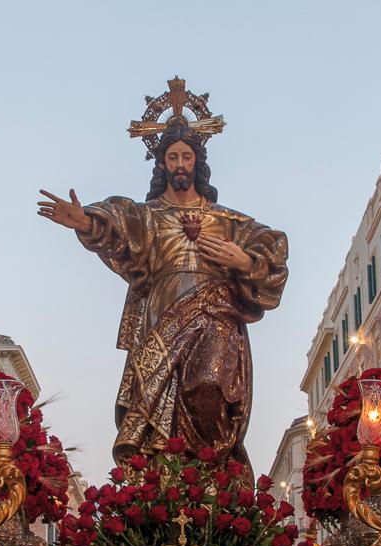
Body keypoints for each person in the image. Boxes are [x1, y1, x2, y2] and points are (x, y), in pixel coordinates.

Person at [38, 122, 288, 484]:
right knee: (161, 410)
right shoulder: (148, 217)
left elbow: (273, 254)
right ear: (162, 165)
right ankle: (167, 487)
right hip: (161, 320)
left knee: (209, 386)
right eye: (173, 157)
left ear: (198, 162)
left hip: (216, 316)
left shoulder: (231, 222)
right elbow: (116, 224)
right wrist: (86, 221)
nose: (180, 163)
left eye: (187, 156)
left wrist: (244, 262)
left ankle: (212, 480)